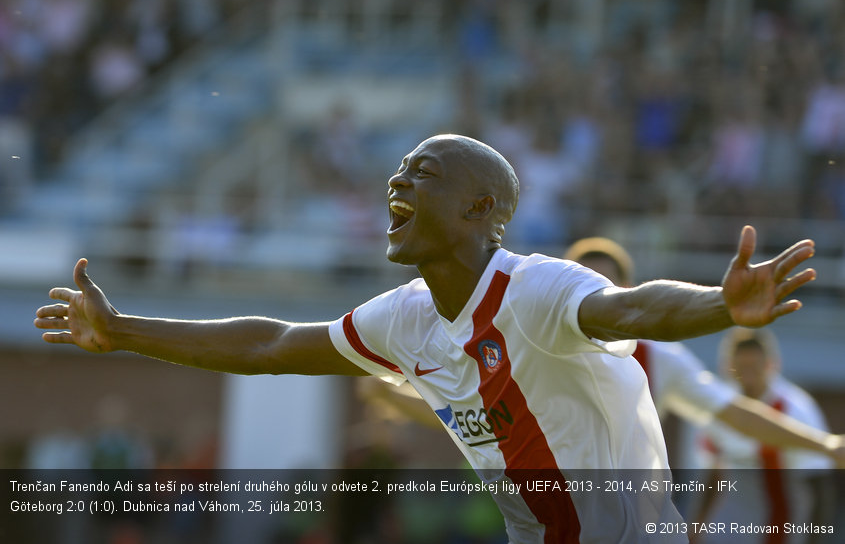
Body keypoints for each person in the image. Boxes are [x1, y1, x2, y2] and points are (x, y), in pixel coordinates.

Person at [35, 134, 823, 543]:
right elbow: (271, 346)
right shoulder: (402, 317)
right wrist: (122, 330)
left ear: (481, 209)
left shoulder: (538, 288)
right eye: (398, 172)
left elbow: (637, 310)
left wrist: (720, 307)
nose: (396, 183)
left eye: (423, 172)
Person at [562, 237, 844, 465]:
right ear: (560, 292)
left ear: (628, 290)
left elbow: (734, 413)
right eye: (582, 287)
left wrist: (826, 444)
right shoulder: (533, 339)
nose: (592, 299)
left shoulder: (660, 359)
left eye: (602, 288)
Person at [692, 328, 834, 544]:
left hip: (785, 532)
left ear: (771, 365)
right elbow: (713, 475)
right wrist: (696, 527)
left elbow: (820, 487)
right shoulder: (719, 409)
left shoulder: (796, 410)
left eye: (754, 368)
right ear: (728, 367)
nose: (747, 376)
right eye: (741, 368)